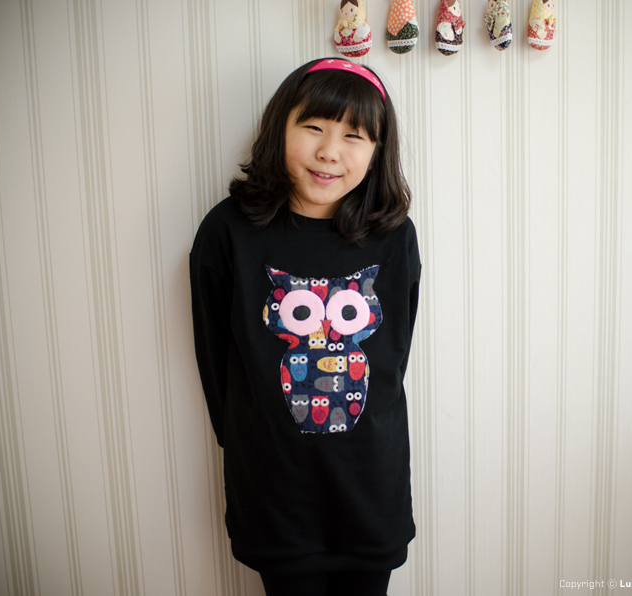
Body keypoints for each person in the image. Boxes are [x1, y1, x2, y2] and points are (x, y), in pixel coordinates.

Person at [189, 58, 420, 596]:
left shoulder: (393, 236)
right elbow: (215, 360)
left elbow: (394, 353)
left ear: (378, 150)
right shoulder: (228, 232)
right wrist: (244, 443)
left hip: (370, 483)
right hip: (274, 487)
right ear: (280, 128)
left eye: (354, 136)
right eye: (313, 127)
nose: (329, 151)